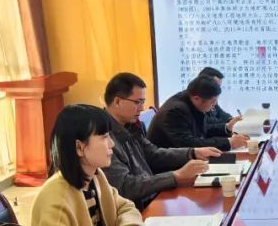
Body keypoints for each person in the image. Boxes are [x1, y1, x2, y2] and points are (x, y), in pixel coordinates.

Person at [22, 104, 165, 226]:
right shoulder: (55, 199)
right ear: (80, 147)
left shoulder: (95, 177)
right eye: (104, 137)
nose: (111, 144)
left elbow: (124, 206)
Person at [102, 72, 221, 208]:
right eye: (137, 102)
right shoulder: (101, 136)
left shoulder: (132, 125)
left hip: (151, 196)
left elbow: (153, 154)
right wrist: (175, 176)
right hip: (135, 209)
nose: (142, 108)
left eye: (143, 102)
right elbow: (125, 187)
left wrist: (193, 153)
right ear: (117, 101)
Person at [148, 75, 249, 152]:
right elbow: (189, 144)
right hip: (167, 165)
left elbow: (202, 129)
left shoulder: (191, 100)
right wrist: (229, 143)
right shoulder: (176, 111)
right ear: (197, 99)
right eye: (212, 102)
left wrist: (226, 128)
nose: (214, 105)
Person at [197, 66, 243, 134]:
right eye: (216, 86)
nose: (218, 89)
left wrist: (230, 119)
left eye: (219, 86)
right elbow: (208, 123)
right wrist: (227, 126)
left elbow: (220, 112)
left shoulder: (212, 97)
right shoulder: (196, 100)